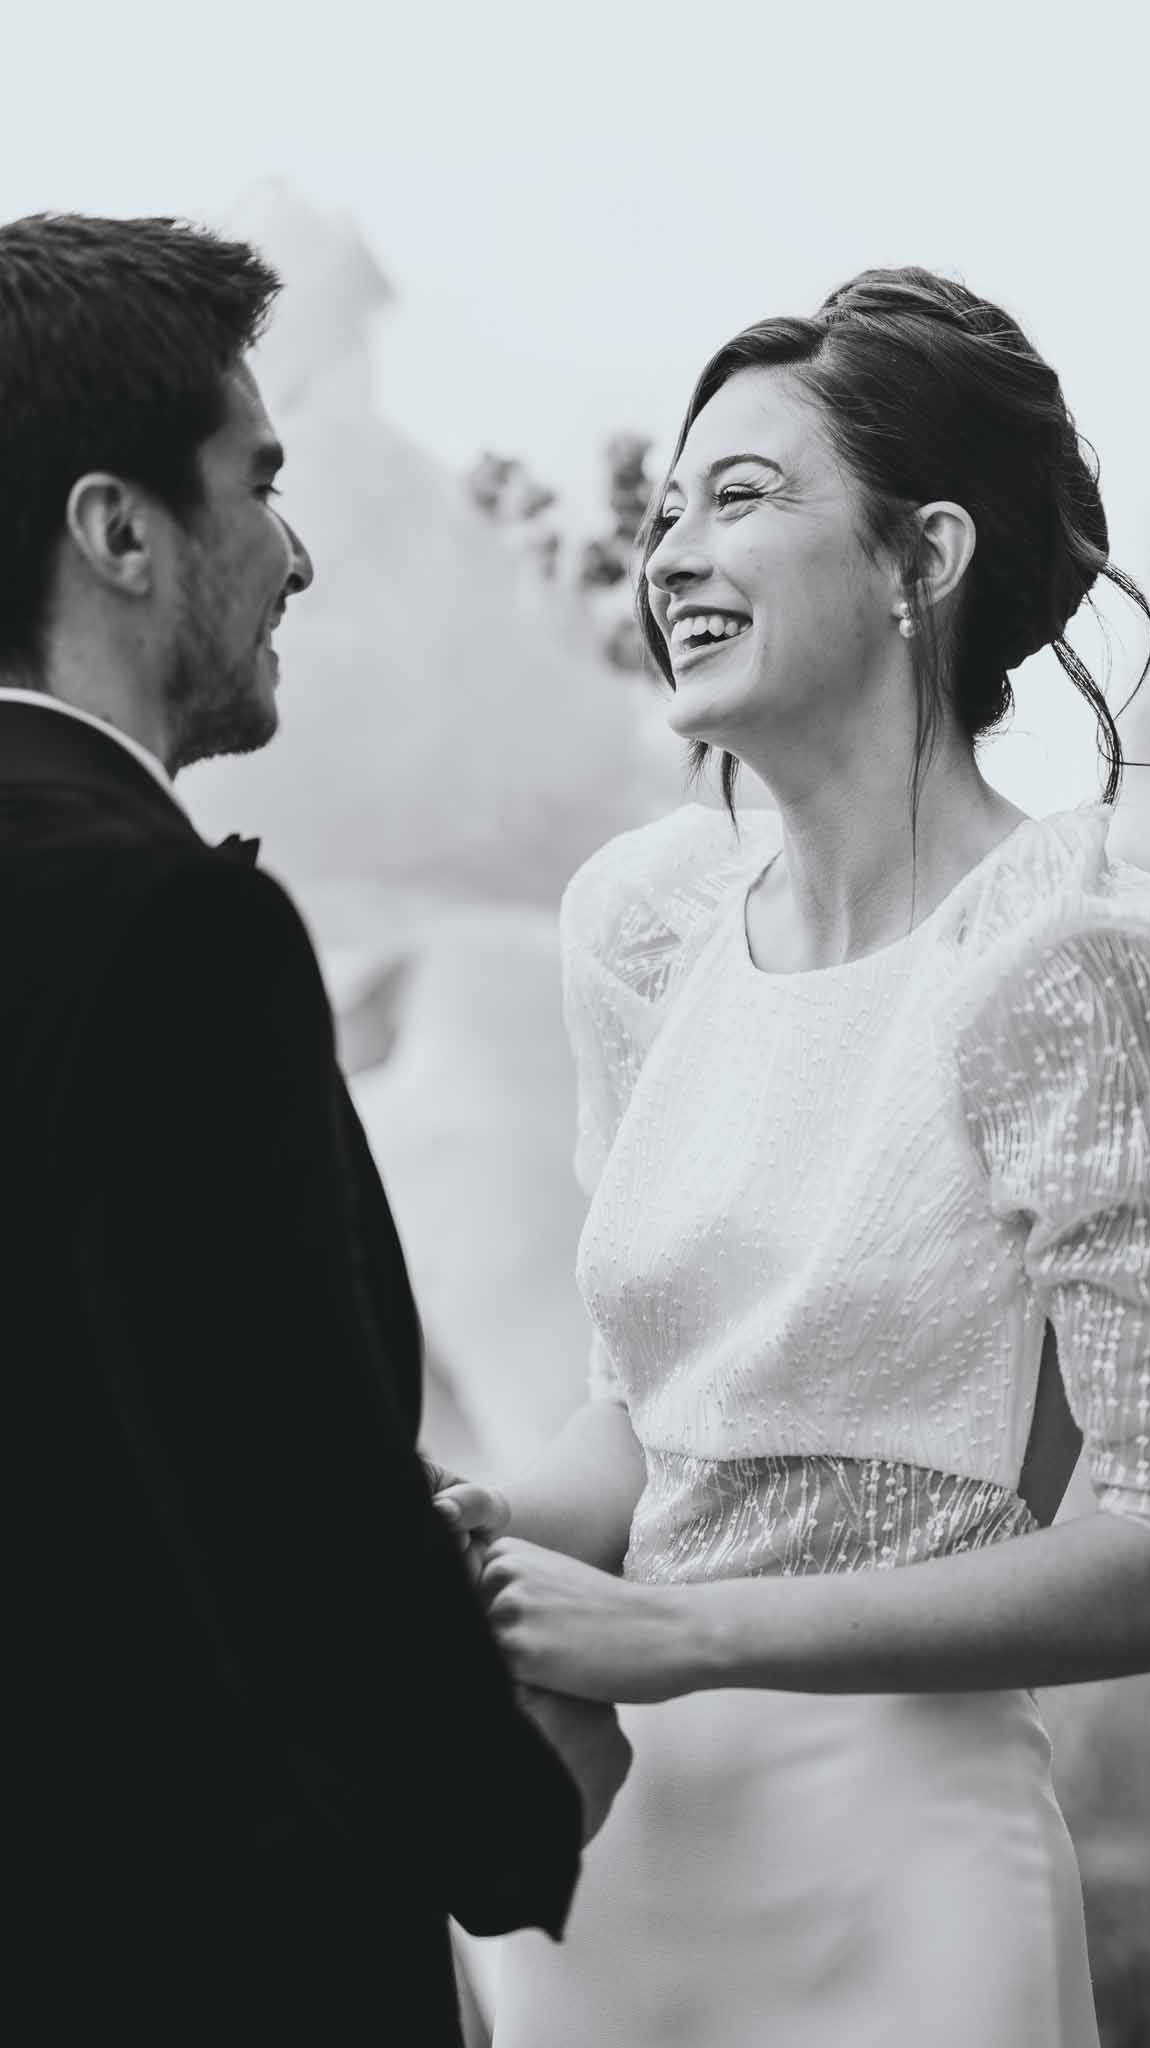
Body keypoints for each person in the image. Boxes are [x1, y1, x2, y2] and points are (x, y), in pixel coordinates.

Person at [438, 267, 1150, 2047]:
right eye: (664, 510)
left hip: (890, 1879)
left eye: (740, 500)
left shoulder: (1062, 958)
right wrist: (489, 1529)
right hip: (599, 1868)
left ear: (924, 558)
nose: (668, 554)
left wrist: (702, 1635)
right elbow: (648, 1423)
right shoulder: (640, 928)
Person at [0, 212, 629, 2046]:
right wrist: (518, 1806)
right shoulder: (170, 933)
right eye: (257, 484)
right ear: (121, 531)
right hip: (190, 1951)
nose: (297, 551)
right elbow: (280, 1508)